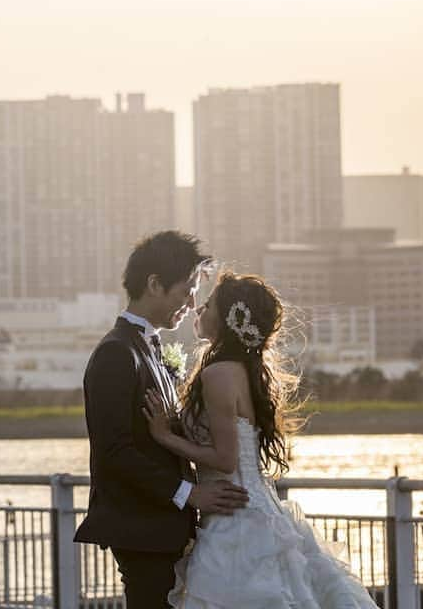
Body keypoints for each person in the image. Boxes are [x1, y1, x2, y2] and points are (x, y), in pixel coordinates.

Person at [143, 271, 380, 608]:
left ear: (227, 319)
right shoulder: (238, 368)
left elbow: (225, 458)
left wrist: (165, 436)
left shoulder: (219, 374)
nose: (198, 310)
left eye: (207, 304)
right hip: (248, 507)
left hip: (236, 518)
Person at [74, 231, 249, 608]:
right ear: (154, 284)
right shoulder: (116, 354)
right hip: (142, 529)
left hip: (165, 527)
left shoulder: (148, 348)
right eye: (186, 290)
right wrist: (190, 493)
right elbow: (114, 451)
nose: (192, 303)